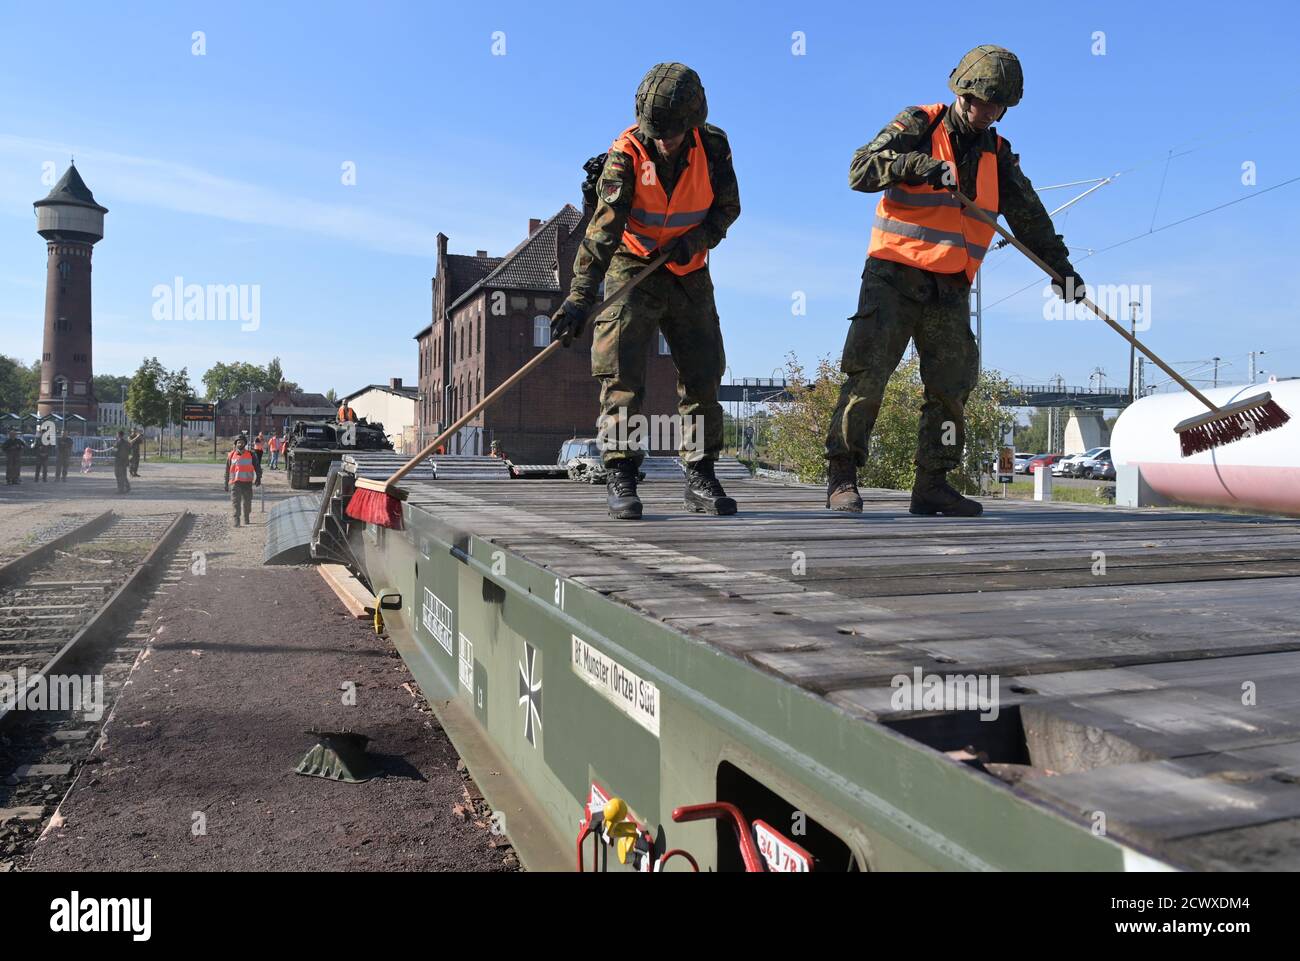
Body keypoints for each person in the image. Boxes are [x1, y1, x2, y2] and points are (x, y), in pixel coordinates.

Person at [823, 45, 1086, 517]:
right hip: (894, 275)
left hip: (949, 286)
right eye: (978, 102)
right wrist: (914, 166)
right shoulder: (918, 125)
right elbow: (860, 170)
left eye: (996, 106)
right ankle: (843, 475)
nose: (985, 113)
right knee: (868, 376)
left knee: (951, 386)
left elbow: (1032, 221)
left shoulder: (998, 155)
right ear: (960, 91)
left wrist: (1061, 270)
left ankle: (933, 484)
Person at [551, 62, 741, 520]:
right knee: (622, 375)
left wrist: (694, 241)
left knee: (703, 373)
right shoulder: (627, 154)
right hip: (633, 264)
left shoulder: (712, 147)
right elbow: (602, 231)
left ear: (692, 123)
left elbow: (727, 210)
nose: (664, 140)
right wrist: (580, 297)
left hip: (689, 270)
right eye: (657, 131)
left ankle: (700, 474)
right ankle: (621, 472)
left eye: (673, 133)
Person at [225, 434, 255, 527]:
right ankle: (236, 520)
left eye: (242, 442)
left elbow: (257, 467)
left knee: (247, 503)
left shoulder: (251, 454)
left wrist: (259, 478)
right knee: (235, 502)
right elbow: (227, 470)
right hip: (235, 483)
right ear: (236, 444)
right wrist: (225, 483)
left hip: (247, 483)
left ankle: (246, 516)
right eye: (238, 442)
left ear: (245, 443)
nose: (240, 444)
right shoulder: (231, 455)